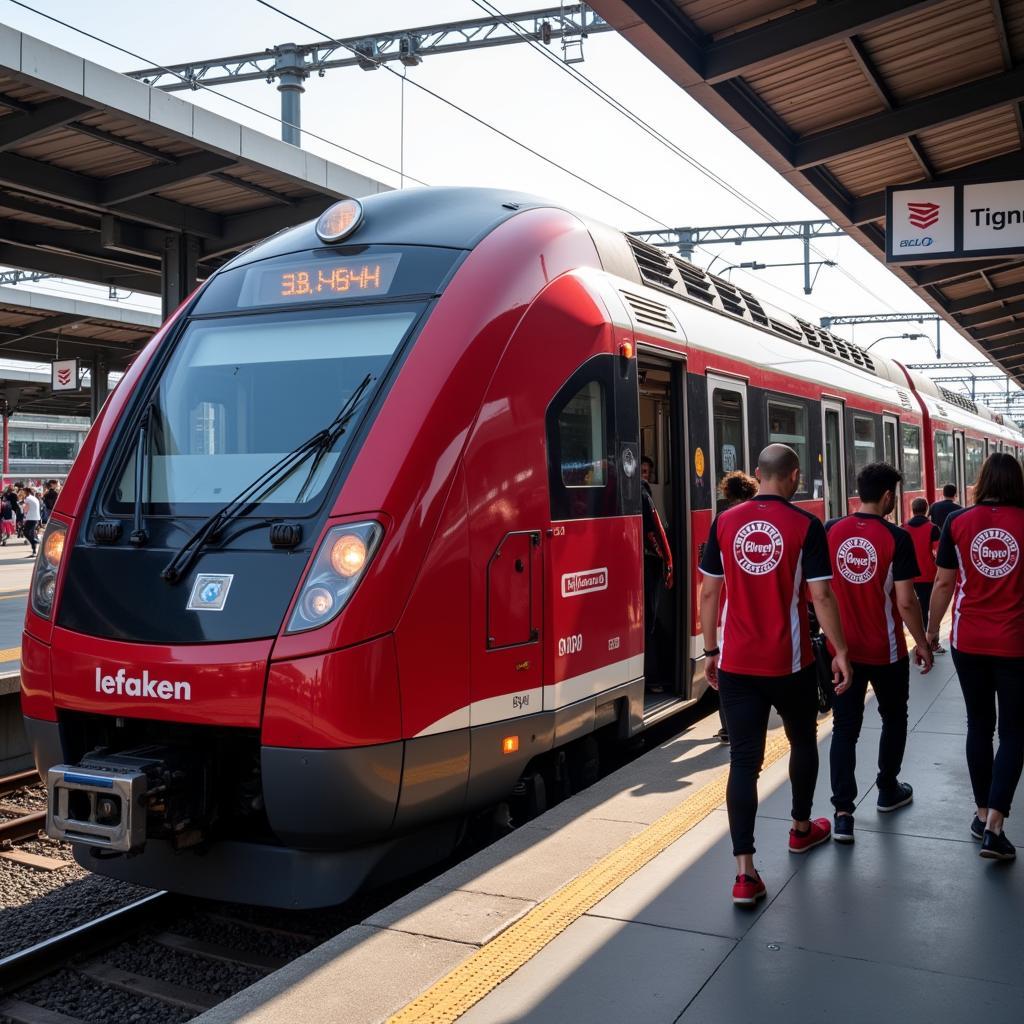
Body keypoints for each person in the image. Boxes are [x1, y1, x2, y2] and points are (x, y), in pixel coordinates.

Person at [700, 443, 851, 906]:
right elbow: (821, 597)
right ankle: (801, 829)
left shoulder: (724, 522)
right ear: (794, 476)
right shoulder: (806, 525)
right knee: (803, 742)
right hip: (790, 664)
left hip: (736, 664)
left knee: (744, 762)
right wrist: (841, 650)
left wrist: (710, 651)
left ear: (759, 474)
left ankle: (744, 873)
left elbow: (708, 593)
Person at [825, 463, 934, 844]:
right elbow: (906, 602)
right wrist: (922, 642)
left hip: (841, 651)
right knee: (894, 716)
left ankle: (842, 813)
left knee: (844, 728)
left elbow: (819, 593)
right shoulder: (896, 538)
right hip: (885, 651)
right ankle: (887, 788)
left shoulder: (830, 531)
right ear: (889, 496)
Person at [928, 452, 1024, 862]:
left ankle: (981, 810)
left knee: (979, 725)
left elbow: (944, 582)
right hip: (1016, 643)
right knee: (1015, 732)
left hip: (968, 640)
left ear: (982, 480)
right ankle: (995, 826)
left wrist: (930, 633)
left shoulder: (957, 522)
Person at [713, 471, 759, 743]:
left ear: (727, 492)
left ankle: (729, 726)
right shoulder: (757, 517)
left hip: (727, 604)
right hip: (755, 603)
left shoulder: (722, 520)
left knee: (727, 668)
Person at [640, 456, 673, 693]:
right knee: (649, 622)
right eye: (640, 471)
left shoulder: (644, 493)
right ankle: (652, 678)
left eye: (646, 472)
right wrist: (667, 564)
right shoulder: (643, 495)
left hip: (647, 564)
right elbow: (656, 533)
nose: (643, 475)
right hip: (649, 565)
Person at [905, 496, 944, 654]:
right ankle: (933, 644)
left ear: (913, 510)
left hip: (908, 576)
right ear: (926, 509)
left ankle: (918, 641)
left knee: (914, 609)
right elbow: (938, 553)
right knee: (931, 609)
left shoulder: (903, 527)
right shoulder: (933, 528)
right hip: (928, 576)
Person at [21, 486, 40, 557]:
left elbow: (25, 509)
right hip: (35, 518)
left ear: (26, 492)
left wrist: (22, 505)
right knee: (31, 534)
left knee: (25, 533)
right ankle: (34, 551)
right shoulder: (34, 498)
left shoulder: (27, 499)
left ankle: (36, 541)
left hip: (30, 518)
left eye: (23, 492)